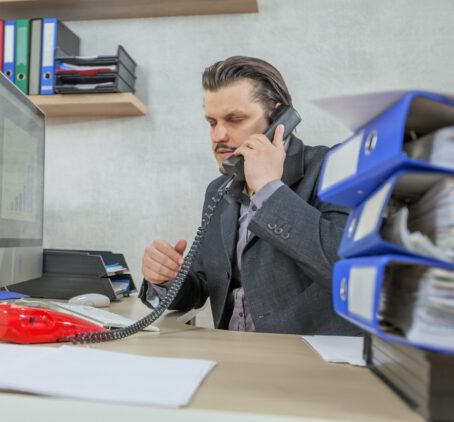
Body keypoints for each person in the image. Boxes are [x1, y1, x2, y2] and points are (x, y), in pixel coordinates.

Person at [139, 56, 359, 335]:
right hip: (232, 355)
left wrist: (269, 190)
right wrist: (167, 278)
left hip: (306, 363)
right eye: (211, 122)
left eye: (235, 119)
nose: (218, 135)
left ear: (279, 118)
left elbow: (347, 271)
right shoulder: (219, 190)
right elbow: (201, 287)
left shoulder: (334, 166)